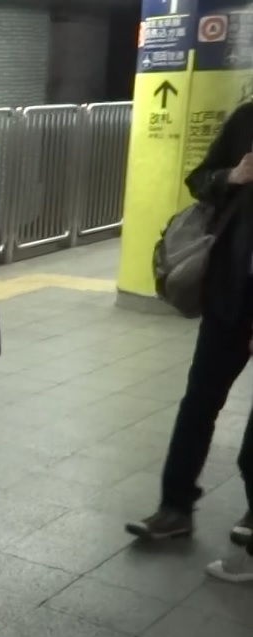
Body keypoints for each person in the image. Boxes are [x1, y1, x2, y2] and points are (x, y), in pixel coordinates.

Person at [128, 101, 253, 562]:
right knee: (199, 401)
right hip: (233, 289)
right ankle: (174, 507)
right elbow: (199, 180)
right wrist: (230, 177)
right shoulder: (246, 119)